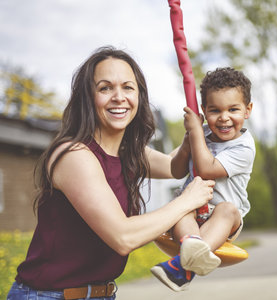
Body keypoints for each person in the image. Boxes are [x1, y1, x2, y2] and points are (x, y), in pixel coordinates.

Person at [7, 46, 215, 300]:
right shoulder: (75, 155)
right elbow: (122, 236)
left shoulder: (130, 152)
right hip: (48, 295)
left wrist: (194, 134)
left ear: (139, 95)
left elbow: (175, 167)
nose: (119, 97)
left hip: (101, 294)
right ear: (88, 97)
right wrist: (187, 201)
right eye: (105, 88)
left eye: (128, 87)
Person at [151, 67, 255, 292]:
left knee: (227, 208)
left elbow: (207, 169)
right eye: (215, 110)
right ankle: (190, 253)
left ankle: (182, 265)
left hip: (224, 220)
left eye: (233, 109)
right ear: (204, 111)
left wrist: (196, 133)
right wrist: (188, 142)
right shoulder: (201, 133)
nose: (224, 117)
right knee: (180, 207)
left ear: (247, 110)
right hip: (192, 211)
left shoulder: (243, 147)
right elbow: (177, 170)